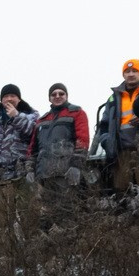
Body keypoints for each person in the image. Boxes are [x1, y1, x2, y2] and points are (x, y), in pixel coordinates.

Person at [0, 86, 37, 234]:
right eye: (6, 96)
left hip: (23, 177)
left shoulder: (32, 115)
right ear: (1, 99)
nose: (9, 99)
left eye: (13, 96)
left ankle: (32, 255)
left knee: (30, 221)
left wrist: (16, 116)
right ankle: (7, 256)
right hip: (0, 179)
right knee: (3, 225)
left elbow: (35, 135)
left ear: (19, 98)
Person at [92, 59, 139, 198]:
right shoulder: (113, 98)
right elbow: (103, 125)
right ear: (123, 75)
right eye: (127, 71)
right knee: (121, 191)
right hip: (121, 152)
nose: (131, 74)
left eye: (135, 71)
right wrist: (106, 142)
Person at [34, 83, 91, 212]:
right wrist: (31, 170)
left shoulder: (77, 113)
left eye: (61, 93)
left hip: (67, 174)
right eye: (54, 94)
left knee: (68, 212)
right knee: (47, 215)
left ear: (66, 96)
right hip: (45, 176)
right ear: (49, 98)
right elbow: (33, 148)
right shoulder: (41, 121)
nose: (57, 96)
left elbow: (83, 141)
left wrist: (76, 165)